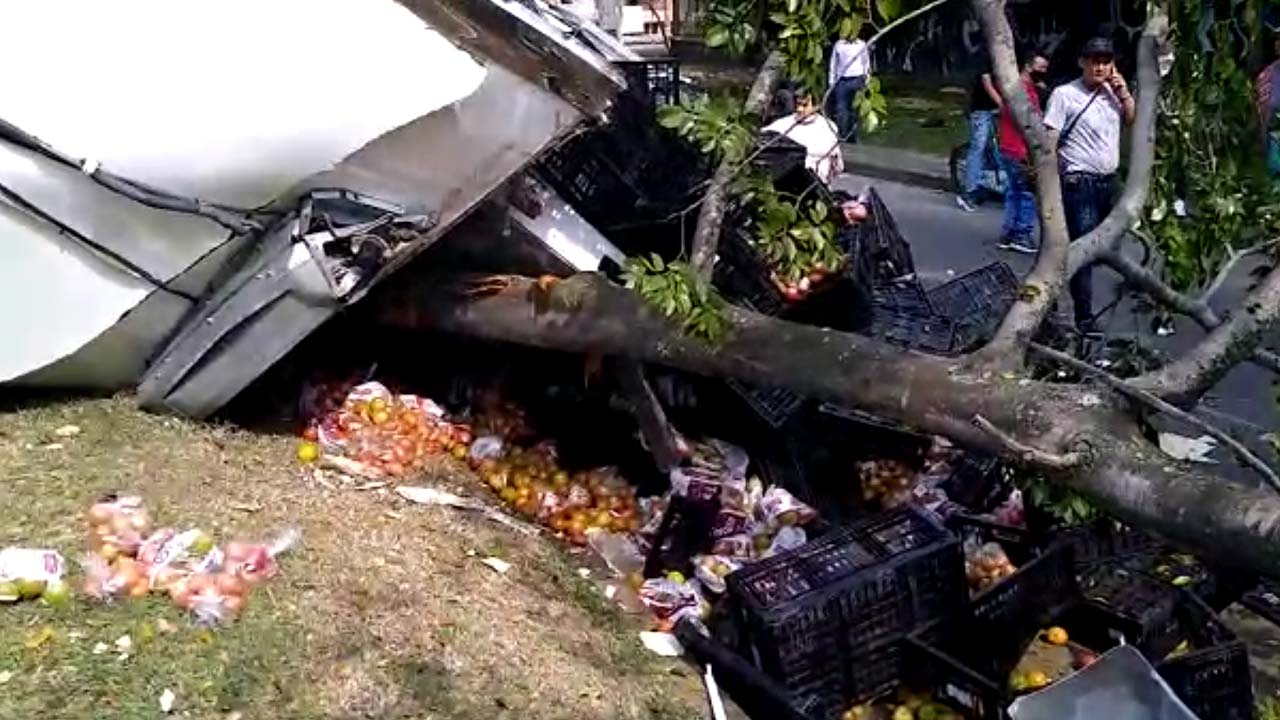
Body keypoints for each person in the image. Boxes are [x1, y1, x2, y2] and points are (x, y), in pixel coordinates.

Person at [1044, 36, 1135, 335]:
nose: (1100, 67)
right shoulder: (1064, 94)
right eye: (1094, 60)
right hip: (1078, 182)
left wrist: (1123, 93)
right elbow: (1050, 139)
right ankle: (1083, 316)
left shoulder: (1112, 93)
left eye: (1106, 61)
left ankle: (1056, 302)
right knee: (1080, 251)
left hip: (1106, 184)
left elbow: (1130, 119)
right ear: (1082, 62)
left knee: (1096, 251)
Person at [995, 49, 1050, 254]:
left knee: (1013, 192)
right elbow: (1030, 122)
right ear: (1028, 66)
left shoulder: (1015, 88)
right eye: (1041, 67)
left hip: (1008, 147)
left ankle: (1008, 232)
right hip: (1019, 150)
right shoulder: (1023, 92)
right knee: (1027, 193)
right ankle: (1022, 234)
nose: (1043, 72)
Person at [762, 90, 845, 186]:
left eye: (805, 105)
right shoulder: (784, 124)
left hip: (815, 181)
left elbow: (836, 162)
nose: (800, 109)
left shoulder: (827, 127)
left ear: (816, 106)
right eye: (797, 104)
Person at [956, 59, 1003, 212]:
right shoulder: (984, 54)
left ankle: (991, 183)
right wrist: (1004, 105)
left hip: (997, 109)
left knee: (999, 147)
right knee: (979, 146)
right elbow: (987, 84)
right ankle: (968, 192)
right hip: (981, 109)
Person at [828, 29, 871, 143]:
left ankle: (853, 136)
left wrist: (867, 79)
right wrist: (832, 81)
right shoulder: (839, 45)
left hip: (857, 79)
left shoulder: (861, 45)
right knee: (841, 110)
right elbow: (834, 63)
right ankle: (842, 135)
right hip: (842, 81)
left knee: (855, 111)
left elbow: (865, 62)